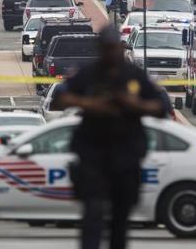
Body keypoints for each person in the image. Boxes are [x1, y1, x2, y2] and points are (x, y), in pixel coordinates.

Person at [54, 26, 164, 249]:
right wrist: (90, 104)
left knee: (120, 220)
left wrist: (135, 104)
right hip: (93, 154)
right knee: (93, 214)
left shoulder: (133, 75)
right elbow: (60, 98)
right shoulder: (88, 73)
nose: (110, 53)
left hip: (125, 155)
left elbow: (161, 107)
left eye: (113, 48)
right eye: (106, 48)